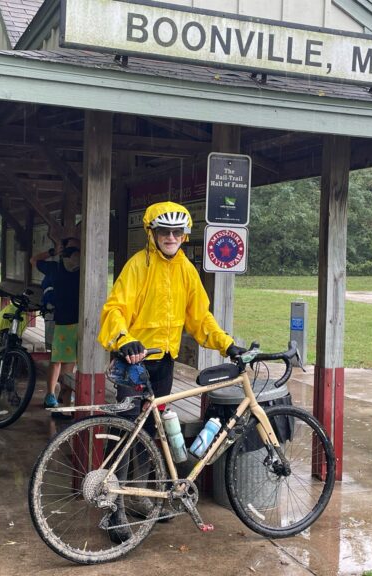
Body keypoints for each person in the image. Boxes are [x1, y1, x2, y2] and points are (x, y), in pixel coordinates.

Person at [97, 201, 245, 541]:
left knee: (156, 431)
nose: (171, 237)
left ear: (185, 235)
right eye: (164, 231)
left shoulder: (186, 270)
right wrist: (124, 339)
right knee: (126, 432)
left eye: (178, 232)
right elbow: (115, 308)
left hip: (163, 363)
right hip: (134, 361)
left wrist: (227, 344)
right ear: (152, 233)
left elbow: (200, 317)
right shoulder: (137, 266)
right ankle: (113, 507)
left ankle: (153, 500)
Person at [31, 236, 81, 414]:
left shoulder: (59, 267)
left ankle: (62, 399)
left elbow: (35, 260)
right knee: (59, 360)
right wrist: (53, 252)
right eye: (70, 251)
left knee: (65, 362)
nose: (73, 254)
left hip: (74, 323)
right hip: (63, 322)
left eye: (77, 250)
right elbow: (34, 260)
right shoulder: (74, 269)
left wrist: (55, 253)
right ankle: (54, 396)